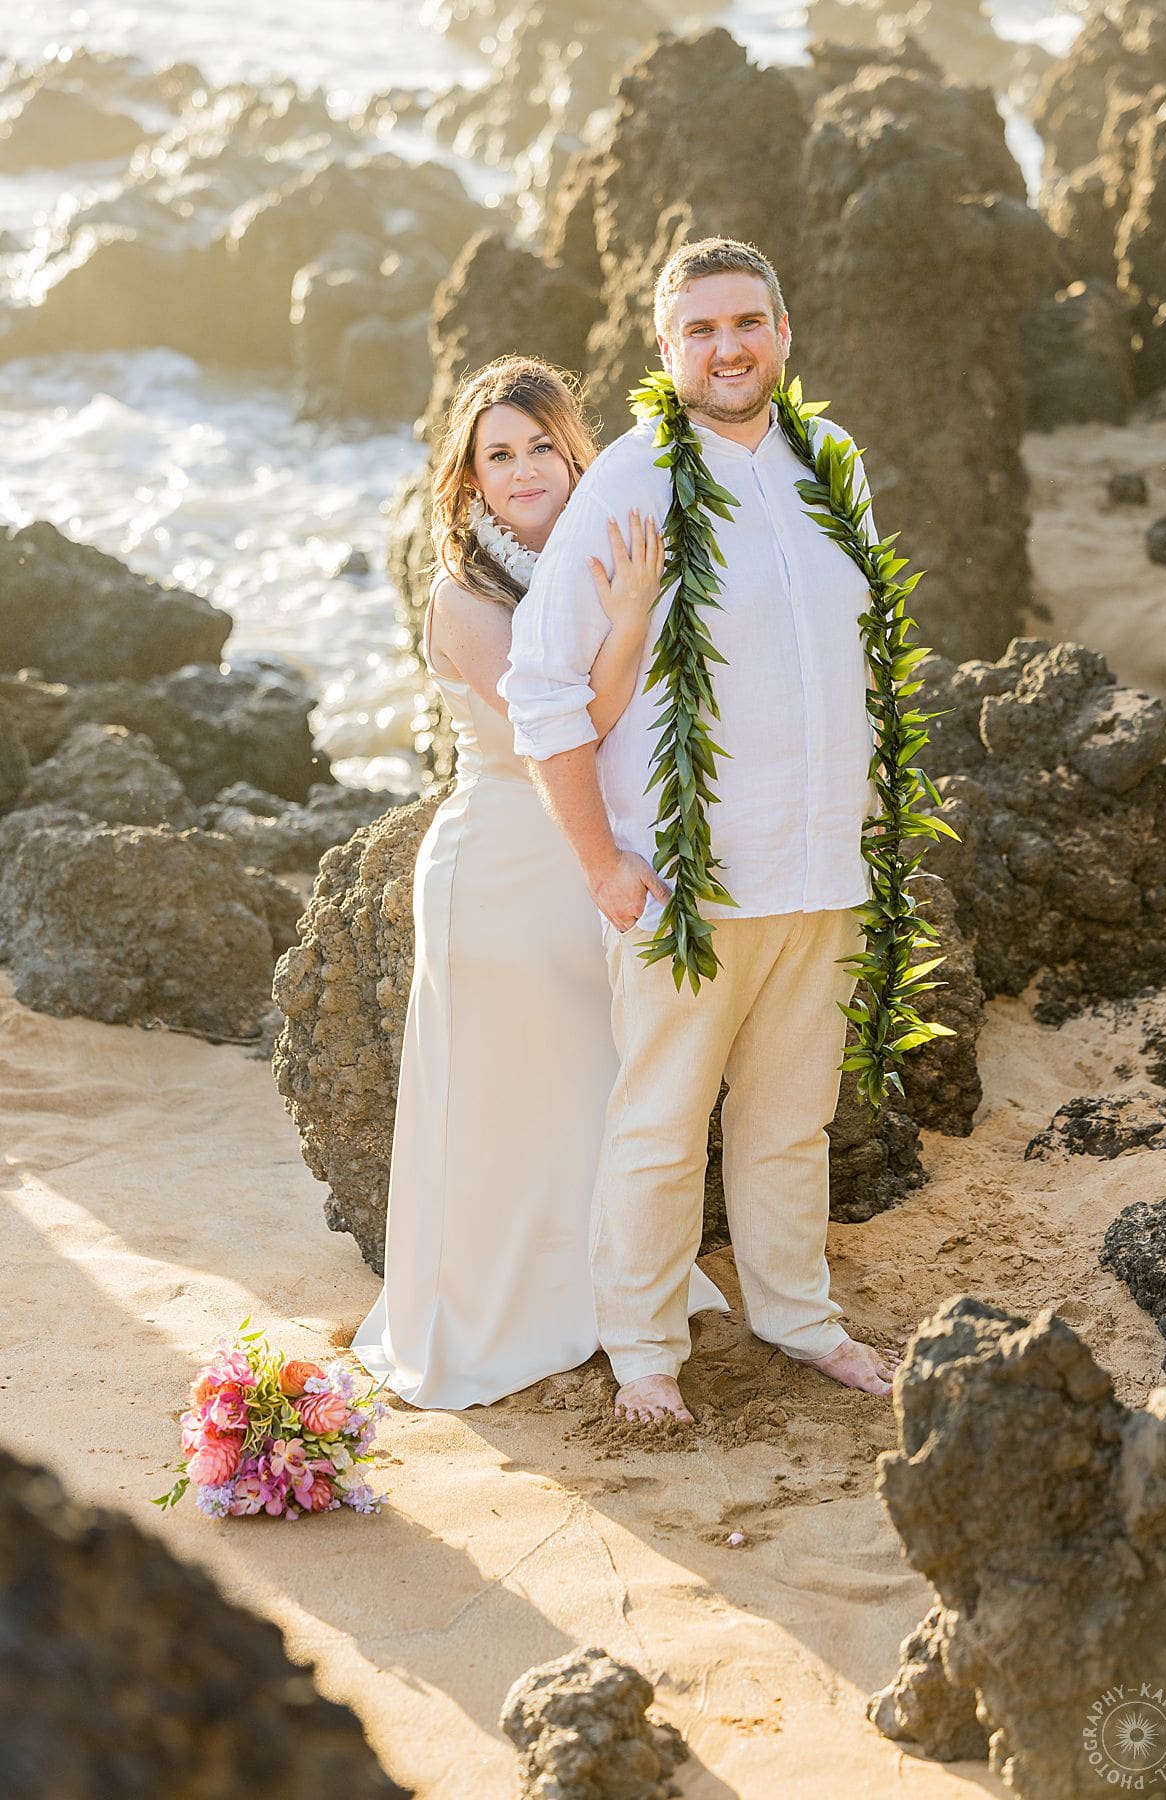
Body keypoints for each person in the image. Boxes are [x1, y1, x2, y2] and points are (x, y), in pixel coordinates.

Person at [500, 240, 902, 1424]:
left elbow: (856, 658)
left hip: (823, 862)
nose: (728, 348)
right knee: (664, 1126)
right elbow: (542, 689)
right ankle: (642, 1344)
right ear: (666, 351)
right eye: (701, 331)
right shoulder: (628, 484)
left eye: (747, 323)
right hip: (686, 879)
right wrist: (603, 866)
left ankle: (796, 1315)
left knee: (792, 1121)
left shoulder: (834, 464)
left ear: (784, 332)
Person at [352, 355, 725, 1410]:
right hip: (505, 877)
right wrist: (636, 614)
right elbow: (575, 725)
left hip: (588, 869)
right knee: (503, 1114)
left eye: (540, 448)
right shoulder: (467, 597)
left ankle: (602, 1299)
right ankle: (492, 1322)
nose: (523, 471)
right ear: (469, 481)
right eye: (497, 456)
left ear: (576, 453)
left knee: (591, 1098)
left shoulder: (597, 554)